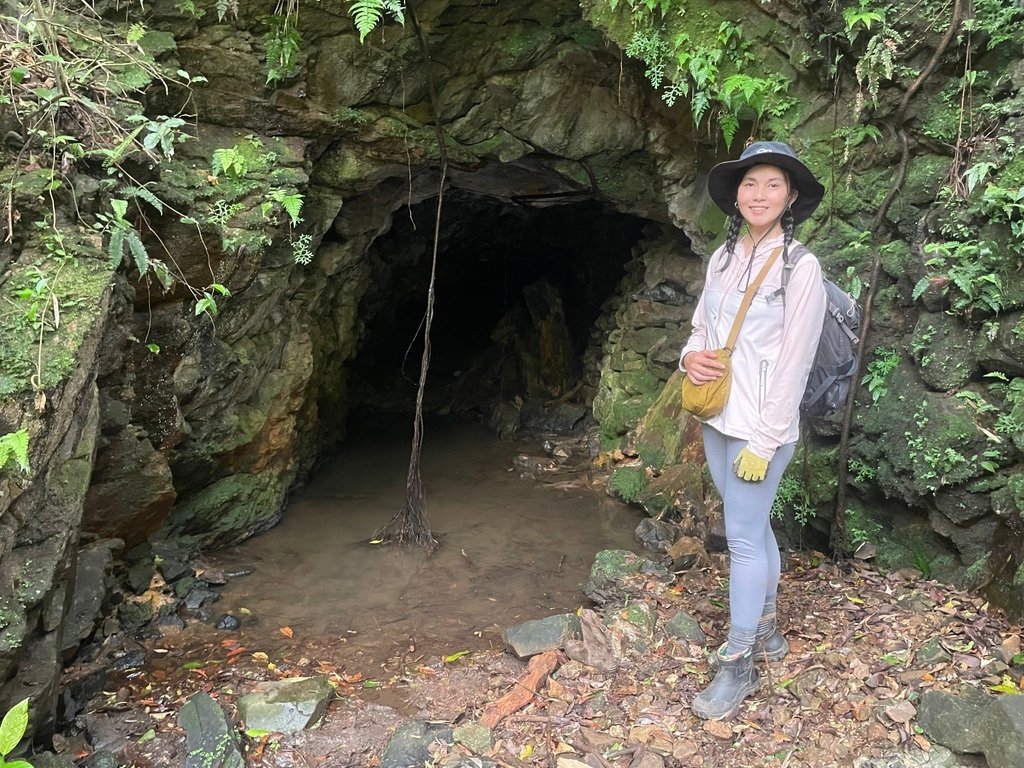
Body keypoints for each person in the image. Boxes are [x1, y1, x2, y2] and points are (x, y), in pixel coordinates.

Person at [678, 140, 827, 721]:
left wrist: (765, 441)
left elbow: (796, 359)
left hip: (761, 424)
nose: (758, 195)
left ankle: (738, 660)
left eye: (772, 185)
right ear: (735, 195)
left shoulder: (801, 267)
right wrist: (690, 358)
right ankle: (766, 631)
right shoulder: (721, 258)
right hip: (717, 414)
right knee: (753, 525)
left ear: (789, 196)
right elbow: (700, 327)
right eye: (749, 184)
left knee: (739, 537)